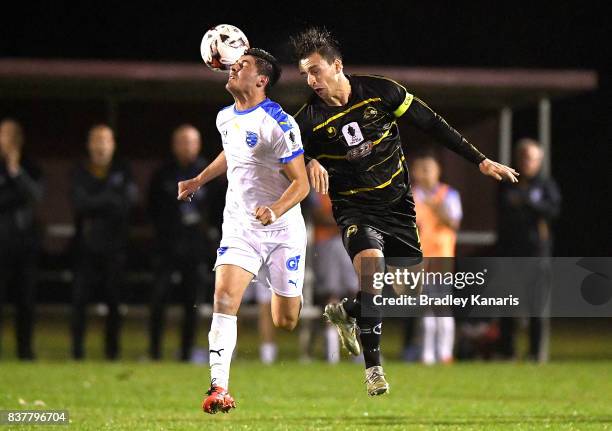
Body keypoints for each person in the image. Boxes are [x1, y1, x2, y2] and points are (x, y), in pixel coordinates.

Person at [290, 27, 518, 395]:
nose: (311, 79)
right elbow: (283, 158)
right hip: (355, 209)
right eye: (305, 74)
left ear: (337, 65)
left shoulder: (382, 91)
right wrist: (310, 159)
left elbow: (432, 123)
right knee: (371, 269)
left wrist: (480, 160)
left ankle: (347, 312)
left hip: (397, 208)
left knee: (405, 290)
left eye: (316, 70)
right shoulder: (307, 120)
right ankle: (374, 369)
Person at [177, 48, 310, 414]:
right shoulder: (225, 118)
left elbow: (301, 185)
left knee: (285, 320)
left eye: (243, 66)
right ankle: (218, 387)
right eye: (234, 65)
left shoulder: (279, 123)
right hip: (240, 227)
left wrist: (276, 209)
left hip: (282, 229)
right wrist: (199, 179)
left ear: (261, 80)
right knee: (223, 298)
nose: (233, 68)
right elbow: (231, 152)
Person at [70, 124, 138, 360]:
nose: (100, 146)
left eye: (105, 140)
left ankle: (112, 353)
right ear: (89, 145)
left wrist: (96, 200)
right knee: (79, 302)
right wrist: (109, 197)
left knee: (114, 303)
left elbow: (128, 203)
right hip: (85, 248)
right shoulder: (80, 170)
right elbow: (80, 204)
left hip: (115, 249)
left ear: (113, 145)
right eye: (96, 140)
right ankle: (77, 353)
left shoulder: (123, 170)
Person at [148, 124, 215, 361]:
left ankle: (186, 353)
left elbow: (217, 207)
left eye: (191, 142)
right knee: (158, 299)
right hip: (166, 246)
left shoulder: (209, 172)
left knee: (192, 303)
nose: (187, 147)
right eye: (182, 142)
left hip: (196, 248)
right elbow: (152, 208)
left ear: (198, 145)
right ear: (174, 145)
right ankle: (154, 352)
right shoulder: (163, 173)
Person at [497, 138, 561, 361]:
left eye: (532, 158)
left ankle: (535, 353)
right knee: (508, 304)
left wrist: (527, 202)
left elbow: (552, 211)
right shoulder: (507, 182)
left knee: (536, 306)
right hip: (510, 253)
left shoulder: (545, 185)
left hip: (536, 254)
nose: (528, 162)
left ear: (539, 161)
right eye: (524, 157)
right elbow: (504, 209)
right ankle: (507, 351)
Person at [411, 154, 462, 365]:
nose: (425, 174)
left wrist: (434, 205)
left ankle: (445, 352)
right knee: (425, 305)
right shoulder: (412, 195)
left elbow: (453, 223)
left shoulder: (448, 194)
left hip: (442, 256)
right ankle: (427, 354)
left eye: (428, 169)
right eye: (421, 169)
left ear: (437, 172)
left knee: (442, 305)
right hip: (421, 257)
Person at [0, 118, 43, 360]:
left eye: (11, 136)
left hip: (25, 246)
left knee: (26, 301)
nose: (6, 141)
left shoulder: (31, 167)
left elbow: (35, 197)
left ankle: (25, 351)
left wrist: (16, 172)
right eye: (3, 135)